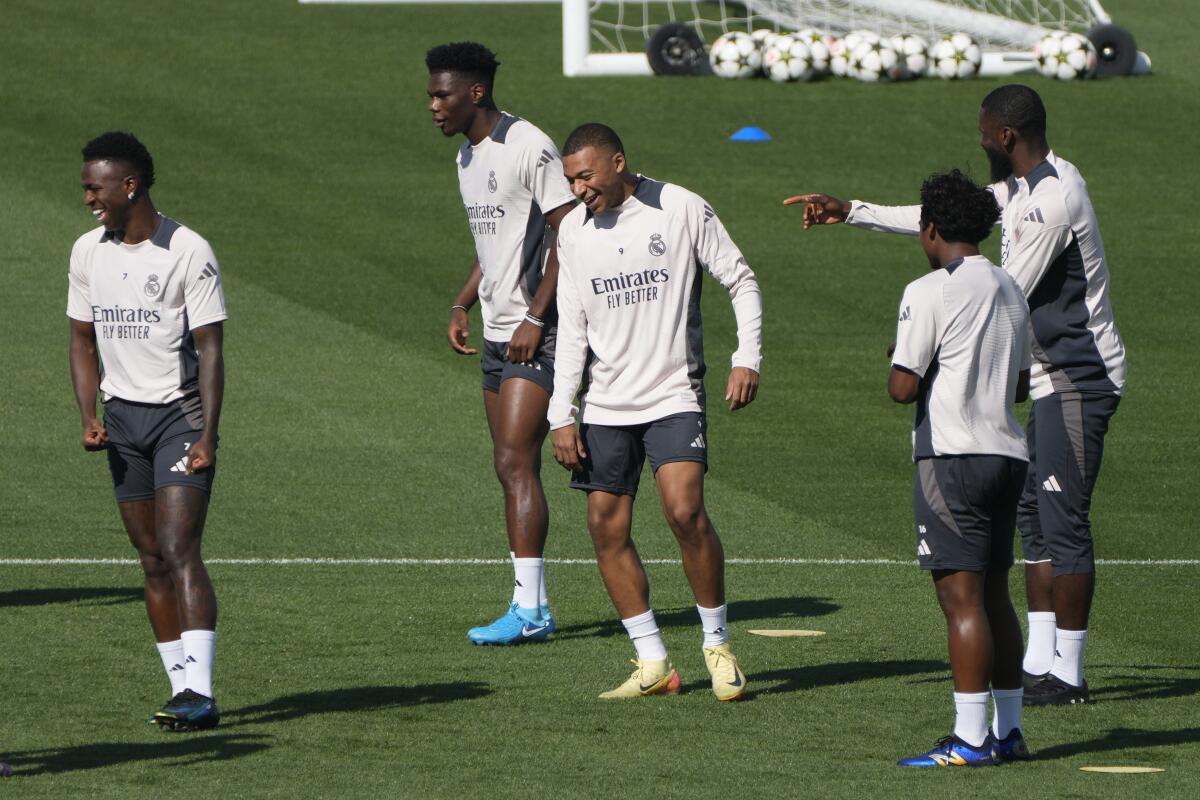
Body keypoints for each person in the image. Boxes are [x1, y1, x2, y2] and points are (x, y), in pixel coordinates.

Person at [787, 84, 1125, 706]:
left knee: (1063, 519)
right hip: (1040, 375)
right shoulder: (1020, 187)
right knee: (1032, 520)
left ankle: (1069, 674)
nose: (978, 141)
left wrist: (935, 315)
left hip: (1079, 375)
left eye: (982, 132)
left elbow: (999, 289)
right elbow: (951, 221)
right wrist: (852, 209)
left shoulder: (1054, 199)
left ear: (1006, 137)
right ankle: (1038, 661)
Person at [549, 123, 762, 700]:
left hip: (673, 393)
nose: (578, 189)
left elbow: (740, 280)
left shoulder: (679, 207)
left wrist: (748, 357)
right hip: (605, 403)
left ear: (617, 162)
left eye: (586, 176)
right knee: (604, 527)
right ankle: (652, 663)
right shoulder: (571, 230)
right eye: (570, 180)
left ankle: (717, 645)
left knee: (685, 512)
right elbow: (572, 327)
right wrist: (560, 413)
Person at [67, 132, 226, 730]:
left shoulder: (187, 250)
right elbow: (82, 339)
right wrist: (88, 414)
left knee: (182, 548)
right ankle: (181, 688)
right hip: (122, 422)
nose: (88, 198)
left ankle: (202, 691)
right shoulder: (88, 252)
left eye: (94, 187)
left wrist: (208, 434)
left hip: (178, 420)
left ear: (129, 184)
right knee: (151, 557)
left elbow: (210, 349)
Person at [427, 42, 576, 645]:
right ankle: (532, 603)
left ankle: (531, 610)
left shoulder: (529, 146)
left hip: (538, 333)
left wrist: (536, 318)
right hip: (496, 331)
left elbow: (571, 236)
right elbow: (495, 245)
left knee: (517, 460)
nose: (433, 106)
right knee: (510, 465)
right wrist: (463, 301)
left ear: (476, 93)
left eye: (442, 95)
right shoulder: (467, 157)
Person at [886, 170, 1032, 767]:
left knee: (961, 601)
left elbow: (902, 387)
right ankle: (1011, 732)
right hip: (1007, 454)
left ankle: (971, 740)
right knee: (996, 595)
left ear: (932, 230)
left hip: (951, 458)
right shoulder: (1011, 287)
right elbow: (1021, 385)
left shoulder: (928, 291)